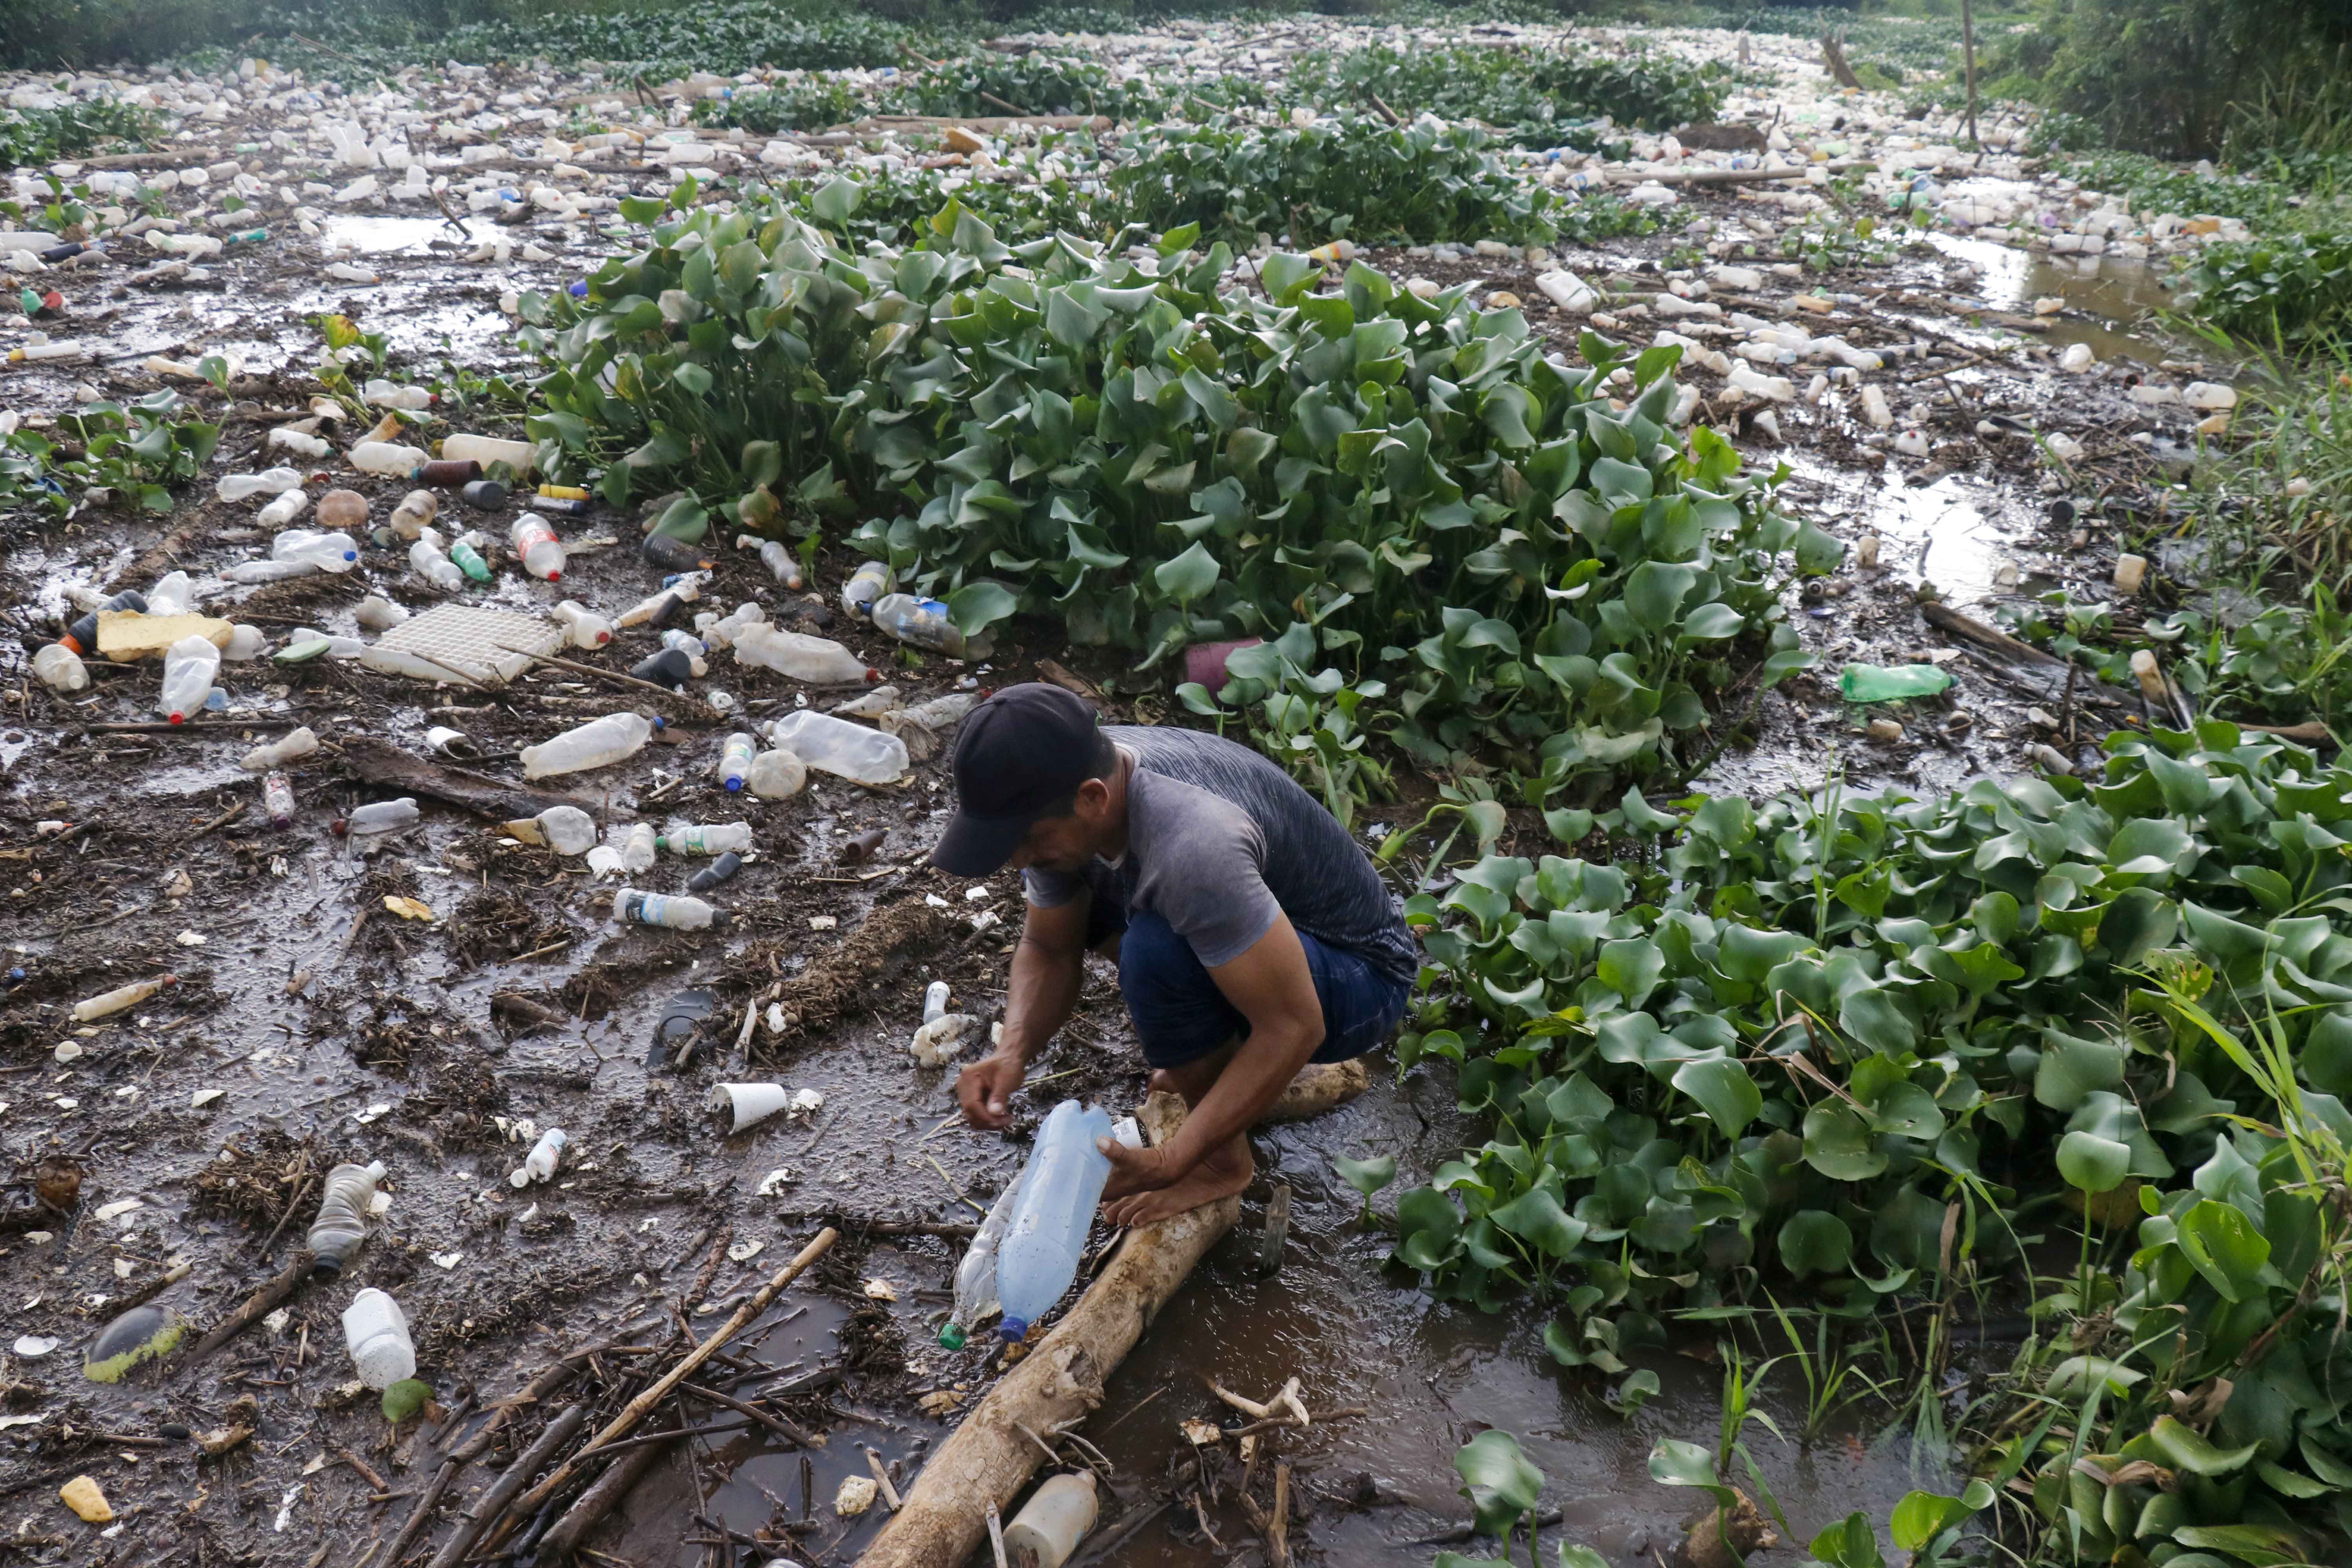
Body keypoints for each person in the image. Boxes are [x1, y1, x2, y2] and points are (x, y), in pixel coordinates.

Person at [930, 683, 1417, 1226]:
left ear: (1094, 798)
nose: (1018, 859)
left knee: (1155, 953)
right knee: (1090, 899)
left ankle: (1221, 1165)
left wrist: (1173, 1160)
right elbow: (1049, 945)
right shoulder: (1066, 781)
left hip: (1360, 974)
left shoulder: (1194, 844)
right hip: (1261, 941)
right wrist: (1013, 1052)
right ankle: (1218, 1061)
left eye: (1027, 841)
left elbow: (1294, 1026)